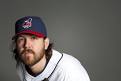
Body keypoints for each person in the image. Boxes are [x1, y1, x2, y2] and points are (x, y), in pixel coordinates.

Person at [12, 16, 90, 81]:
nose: (26, 45)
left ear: (46, 43)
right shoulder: (21, 66)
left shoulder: (69, 71)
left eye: (33, 38)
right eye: (21, 39)